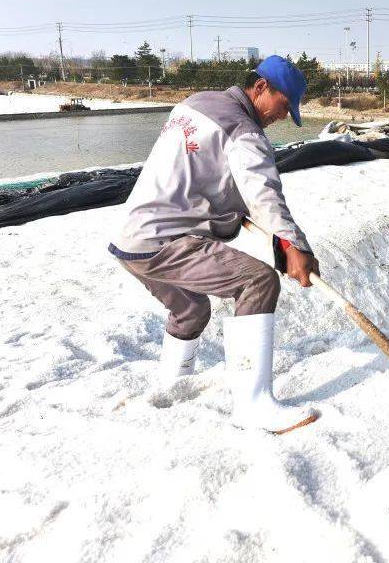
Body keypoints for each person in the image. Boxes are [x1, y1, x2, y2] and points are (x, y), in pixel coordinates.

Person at [110, 55, 319, 434]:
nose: (283, 116)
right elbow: (264, 192)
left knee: (191, 310)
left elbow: (201, 171)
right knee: (258, 281)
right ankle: (253, 404)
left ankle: (172, 384)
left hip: (131, 239)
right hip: (165, 241)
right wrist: (295, 245)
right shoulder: (244, 131)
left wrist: (228, 208)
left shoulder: (194, 104)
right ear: (260, 88)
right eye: (284, 105)